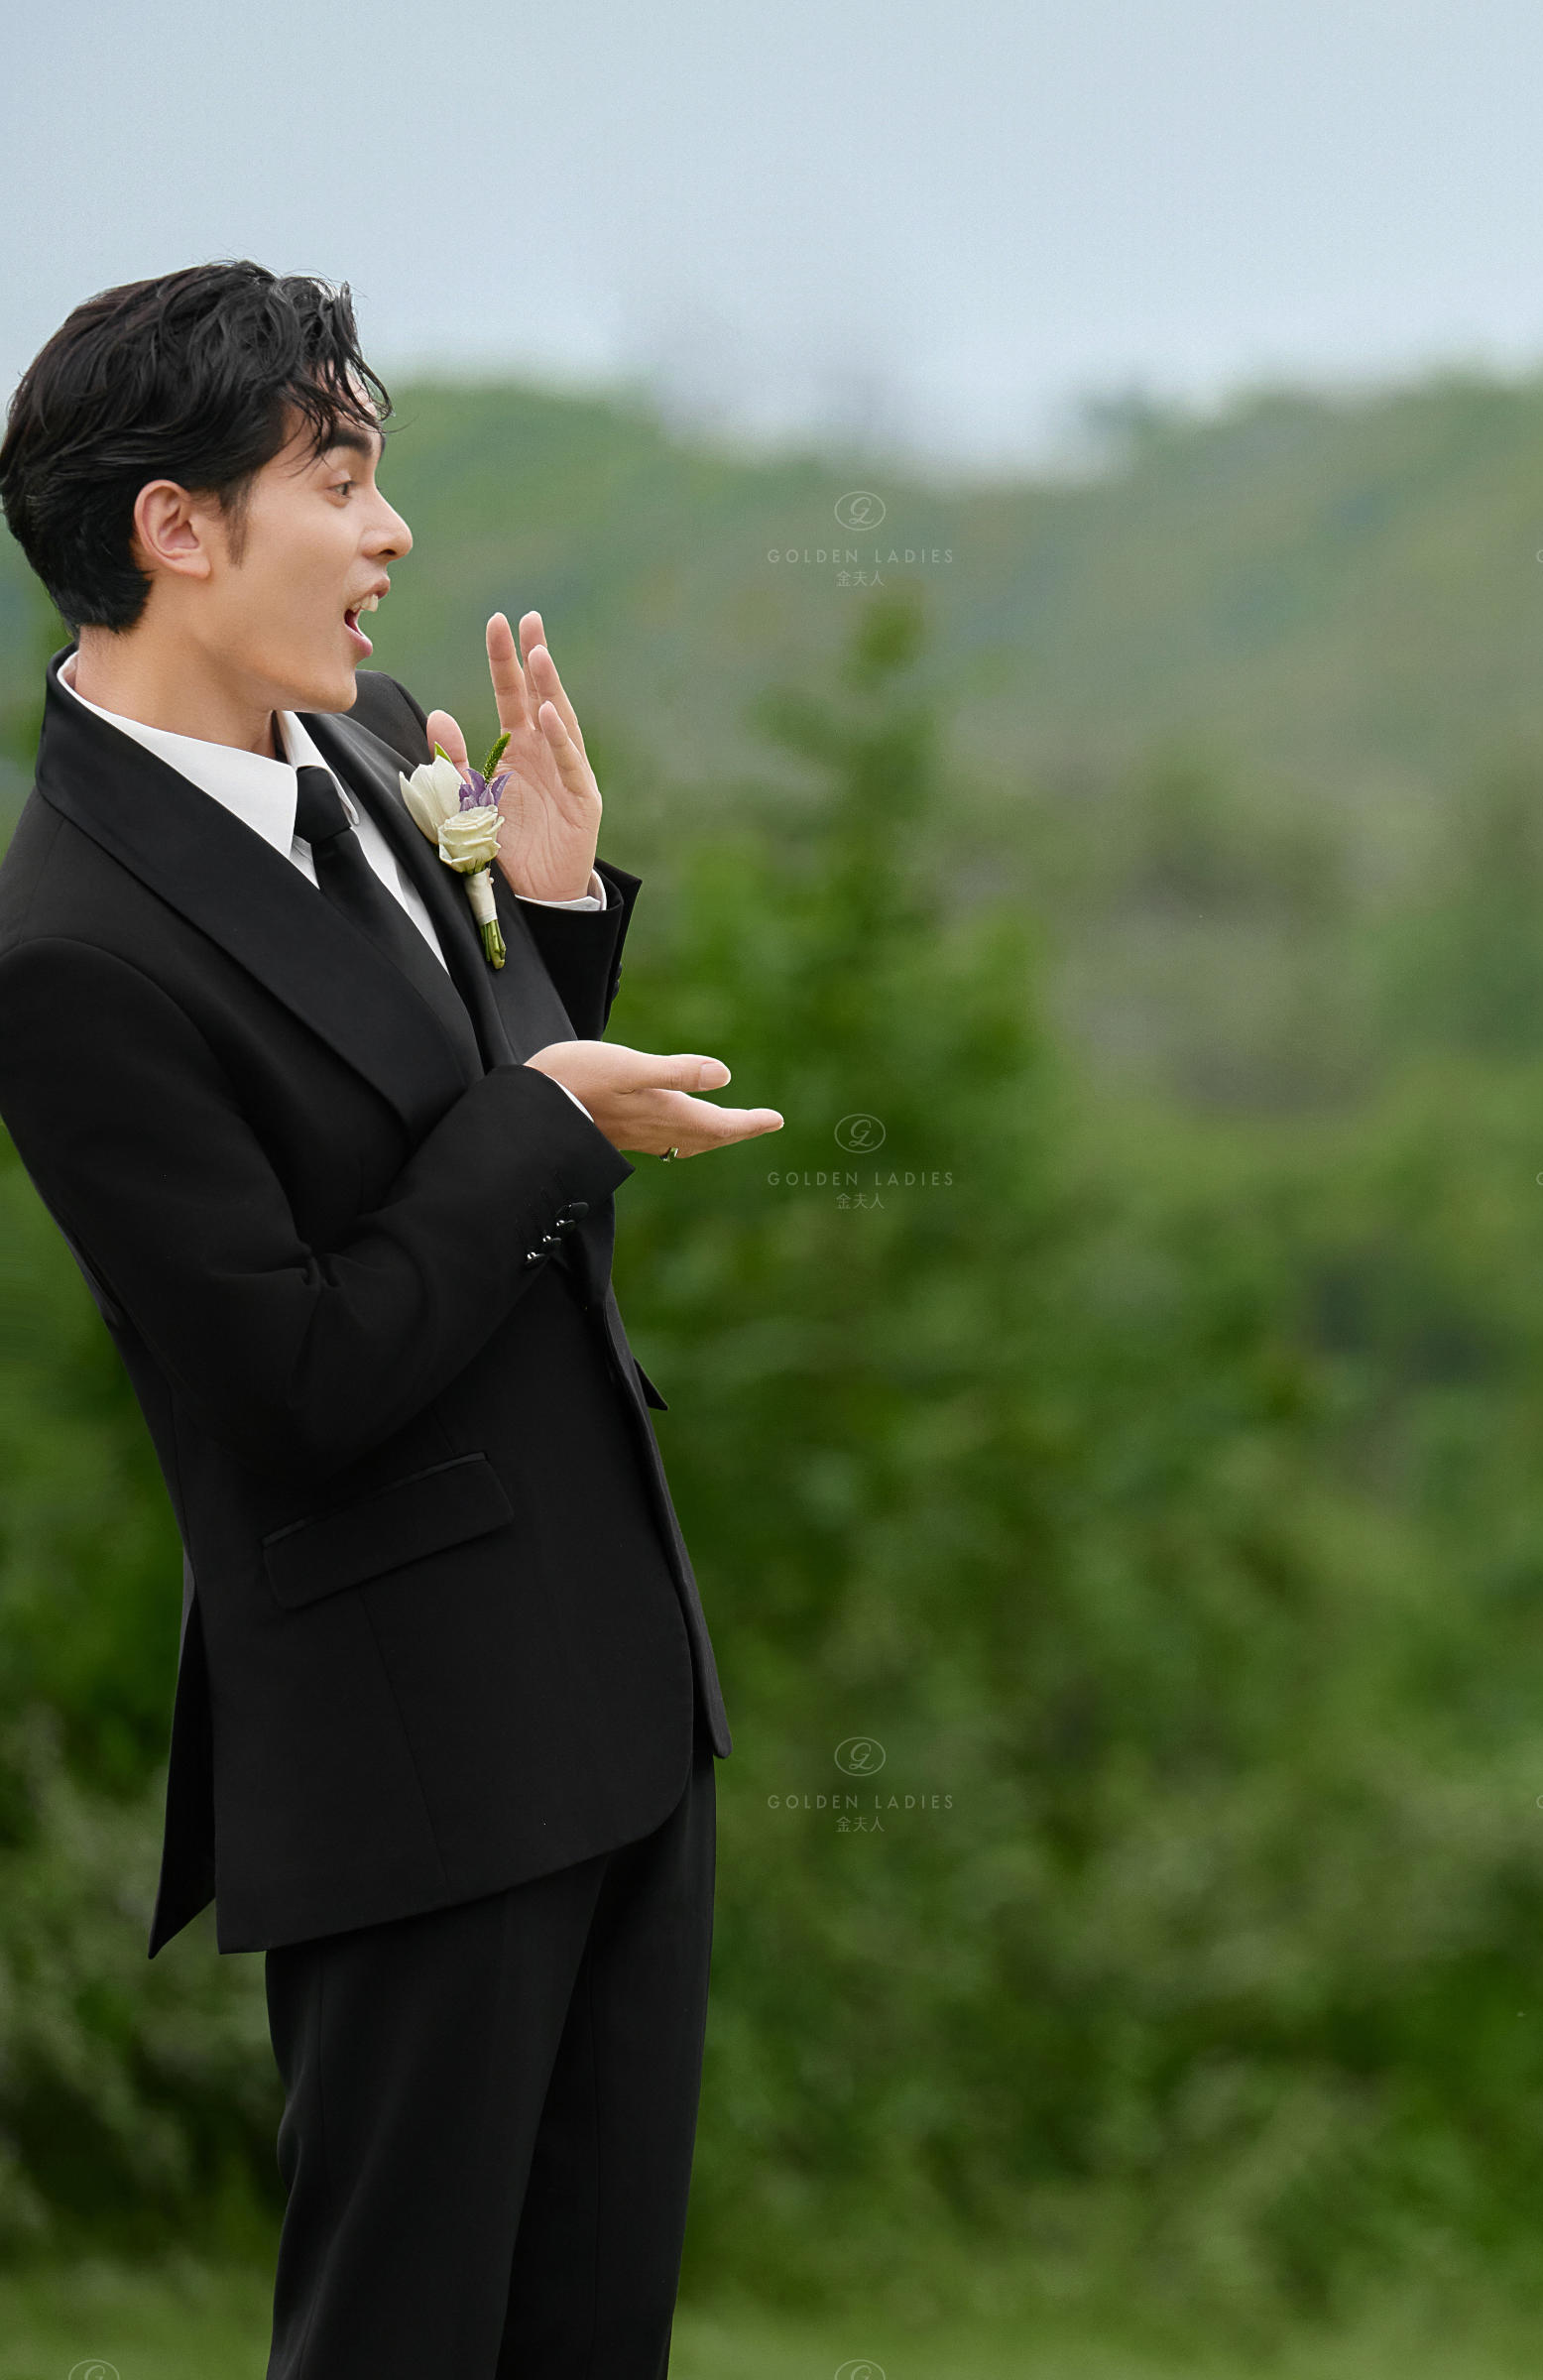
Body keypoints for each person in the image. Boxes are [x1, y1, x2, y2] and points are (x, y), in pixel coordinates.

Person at [0, 262, 783, 2375]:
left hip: (616, 1685)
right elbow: (304, 1374)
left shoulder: (351, 735)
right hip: (411, 1755)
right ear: (177, 528)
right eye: (339, 479)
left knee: (585, 2333)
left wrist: (541, 924)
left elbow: (443, 1136)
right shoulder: (70, 952)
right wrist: (539, 1107)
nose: (390, 533)